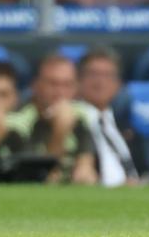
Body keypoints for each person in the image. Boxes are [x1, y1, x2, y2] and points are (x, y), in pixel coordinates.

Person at [10, 54, 97, 184]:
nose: (60, 93)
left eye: (67, 85)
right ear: (36, 86)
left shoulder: (80, 116)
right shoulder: (18, 123)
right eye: (53, 84)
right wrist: (60, 132)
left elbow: (86, 173)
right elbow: (41, 179)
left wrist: (84, 170)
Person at [78, 49, 149, 186]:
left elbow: (145, 171)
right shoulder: (72, 121)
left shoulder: (127, 126)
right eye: (93, 74)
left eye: (108, 75)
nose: (100, 81)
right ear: (79, 80)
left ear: (118, 84)